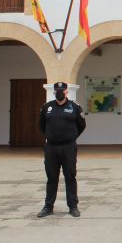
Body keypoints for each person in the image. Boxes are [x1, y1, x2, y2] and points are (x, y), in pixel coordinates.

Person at [37, 82, 86, 218]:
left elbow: (82, 125)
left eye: (62, 91)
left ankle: (73, 206)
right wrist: (51, 136)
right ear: (54, 92)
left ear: (66, 92)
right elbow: (41, 125)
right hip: (51, 147)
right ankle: (48, 207)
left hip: (68, 147)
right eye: (57, 91)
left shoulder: (75, 107)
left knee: (70, 176)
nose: (60, 93)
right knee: (51, 177)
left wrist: (71, 136)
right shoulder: (47, 107)